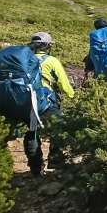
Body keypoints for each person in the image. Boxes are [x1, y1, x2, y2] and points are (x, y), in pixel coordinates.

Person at [27, 32, 74, 176]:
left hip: (28, 102)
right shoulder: (52, 61)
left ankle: (35, 167)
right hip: (46, 101)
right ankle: (56, 161)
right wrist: (73, 96)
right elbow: (64, 84)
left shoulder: (24, 60)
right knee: (59, 128)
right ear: (47, 46)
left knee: (32, 132)